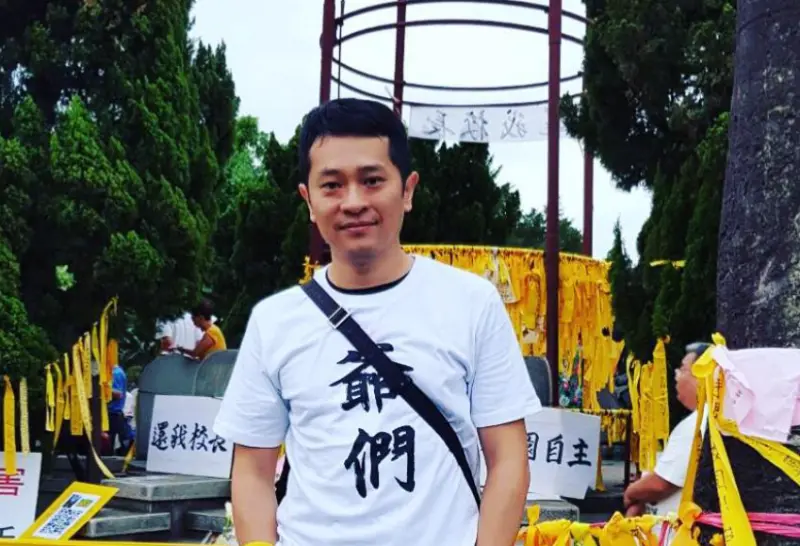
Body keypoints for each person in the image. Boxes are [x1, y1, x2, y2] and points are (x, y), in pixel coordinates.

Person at [213, 98, 540, 546]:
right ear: (308, 200)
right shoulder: (274, 322)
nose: (353, 202)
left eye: (372, 180)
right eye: (332, 185)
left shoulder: (471, 304)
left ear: (407, 190)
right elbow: (252, 470)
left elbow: (508, 457)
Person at [623, 342, 710, 518]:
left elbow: (660, 485)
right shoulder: (709, 418)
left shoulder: (697, 424)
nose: (677, 376)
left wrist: (631, 493)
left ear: (702, 377)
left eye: (683, 369)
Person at [108, 362, 129, 455]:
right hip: (113, 413)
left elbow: (117, 394)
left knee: (108, 445)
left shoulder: (116, 373)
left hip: (113, 413)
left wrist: (101, 389)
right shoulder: (114, 372)